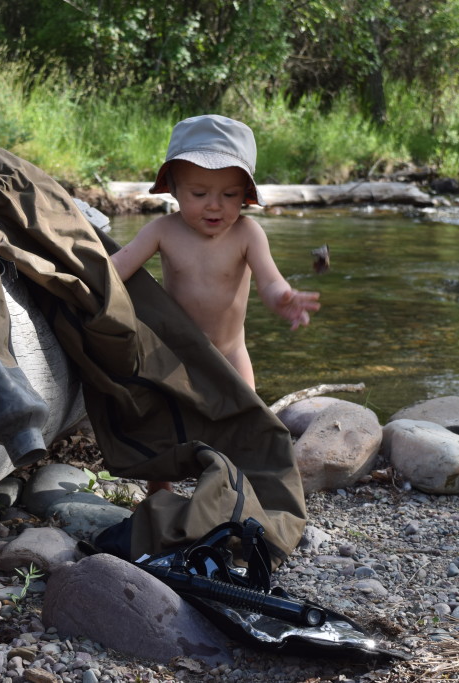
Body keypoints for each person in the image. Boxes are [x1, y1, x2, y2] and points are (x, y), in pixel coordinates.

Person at [111, 115, 321, 493]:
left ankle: (235, 491)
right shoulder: (163, 230)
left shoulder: (247, 233)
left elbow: (270, 281)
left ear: (246, 194)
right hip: (177, 355)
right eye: (199, 193)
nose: (215, 206)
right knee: (163, 422)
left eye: (229, 195)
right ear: (173, 188)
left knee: (246, 424)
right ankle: (159, 490)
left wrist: (283, 299)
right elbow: (116, 269)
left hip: (231, 354)